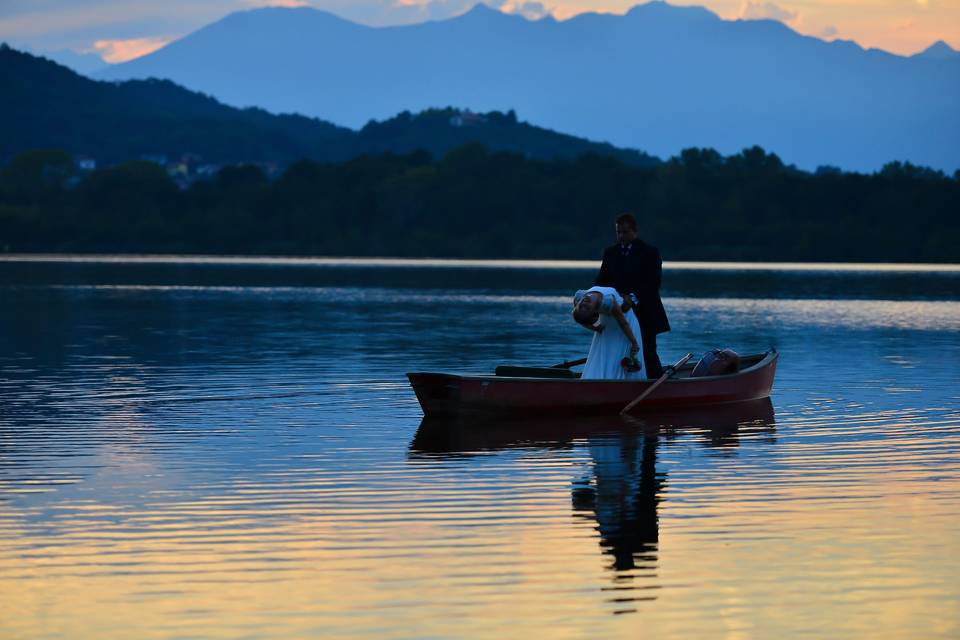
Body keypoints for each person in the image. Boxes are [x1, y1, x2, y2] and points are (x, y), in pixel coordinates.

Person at [594, 213, 670, 378]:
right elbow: (601, 281)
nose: (621, 236)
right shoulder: (610, 253)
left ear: (634, 232)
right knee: (617, 353)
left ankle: (655, 384)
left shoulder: (650, 252)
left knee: (647, 352)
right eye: (618, 232)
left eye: (625, 232)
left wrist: (632, 298)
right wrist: (600, 297)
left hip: (645, 312)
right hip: (617, 313)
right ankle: (620, 383)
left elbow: (653, 283)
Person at [572, 286, 645, 380]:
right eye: (587, 308)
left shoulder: (579, 297)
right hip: (611, 323)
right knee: (606, 353)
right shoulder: (606, 302)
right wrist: (595, 328)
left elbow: (623, 323)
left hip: (627, 319)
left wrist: (634, 342)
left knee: (621, 351)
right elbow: (580, 319)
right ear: (594, 311)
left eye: (581, 306)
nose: (584, 304)